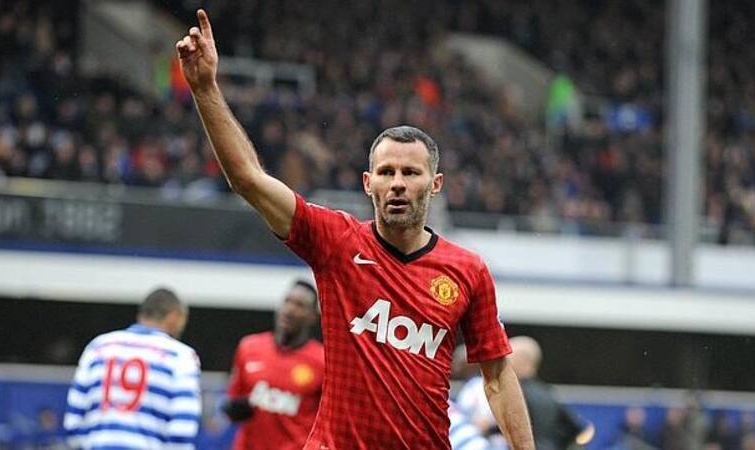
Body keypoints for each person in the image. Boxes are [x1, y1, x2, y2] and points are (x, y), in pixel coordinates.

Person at [176, 11, 533, 449]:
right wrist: (205, 89)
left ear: (436, 184)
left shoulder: (467, 270)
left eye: (410, 172)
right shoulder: (336, 242)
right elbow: (248, 179)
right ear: (368, 183)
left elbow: (497, 374)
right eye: (386, 172)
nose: (397, 183)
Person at [64, 288, 201, 449]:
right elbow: (182, 429)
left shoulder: (98, 347)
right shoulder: (180, 356)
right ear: (173, 316)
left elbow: (73, 421)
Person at [223, 280, 324, 450]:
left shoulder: (322, 361)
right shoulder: (249, 347)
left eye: (299, 305)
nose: (290, 309)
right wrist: (235, 409)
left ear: (313, 317)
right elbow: (233, 403)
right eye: (287, 301)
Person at [508, 336, 594, 450]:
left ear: (521, 361)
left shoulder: (515, 394)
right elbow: (578, 429)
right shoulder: (548, 394)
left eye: (508, 360)